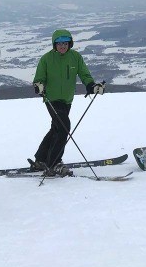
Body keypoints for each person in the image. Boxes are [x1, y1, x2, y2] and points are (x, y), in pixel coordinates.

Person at [31, 29, 105, 176]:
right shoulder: (46, 59)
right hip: (51, 99)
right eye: (59, 44)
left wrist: (91, 86)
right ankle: (54, 163)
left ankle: (40, 160)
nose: (62, 46)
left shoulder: (75, 57)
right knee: (64, 126)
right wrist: (39, 86)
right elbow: (39, 78)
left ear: (70, 43)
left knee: (57, 129)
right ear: (54, 45)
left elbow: (84, 74)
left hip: (67, 99)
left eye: (65, 43)